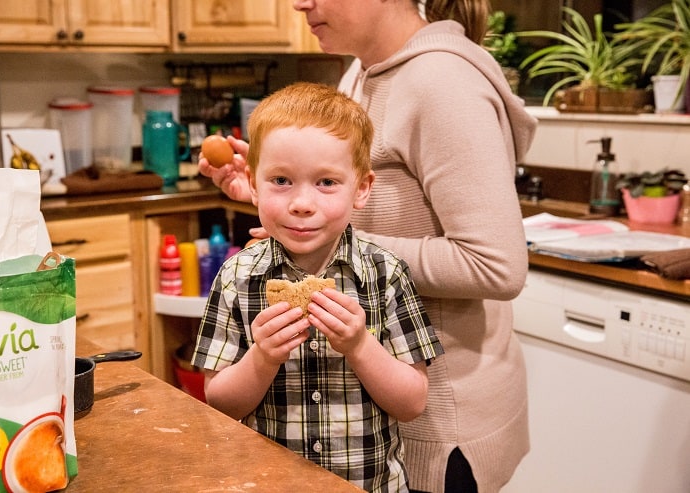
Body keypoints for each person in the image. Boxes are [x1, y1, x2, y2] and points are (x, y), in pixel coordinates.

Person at [198, 2, 538, 492]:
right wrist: (281, 184)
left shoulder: (443, 81)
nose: (300, 3)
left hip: (438, 426)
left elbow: (496, 266)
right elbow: (355, 194)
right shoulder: (361, 74)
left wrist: (338, 239)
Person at [192, 82, 445, 493]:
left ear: (361, 188)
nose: (302, 203)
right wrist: (262, 358)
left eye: (326, 182)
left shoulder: (386, 274)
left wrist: (361, 346)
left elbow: (412, 403)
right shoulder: (236, 278)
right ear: (253, 185)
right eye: (281, 180)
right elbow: (219, 401)